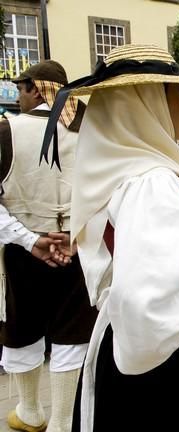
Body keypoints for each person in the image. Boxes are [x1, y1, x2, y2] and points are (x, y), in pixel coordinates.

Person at [40, 44, 179, 431]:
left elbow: (116, 259)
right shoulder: (153, 181)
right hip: (175, 348)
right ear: (147, 103)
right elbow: (142, 307)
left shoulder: (125, 169)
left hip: (138, 337)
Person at [0, 60, 98, 432]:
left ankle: (31, 412)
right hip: (75, 251)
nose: (18, 95)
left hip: (23, 250)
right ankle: (60, 422)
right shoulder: (88, 131)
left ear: (35, 89)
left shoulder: (6, 131)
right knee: (71, 333)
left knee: (21, 328)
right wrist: (76, 237)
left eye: (21, 87)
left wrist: (31, 239)